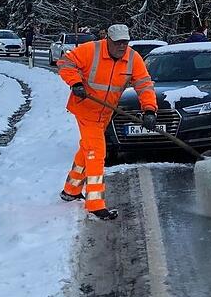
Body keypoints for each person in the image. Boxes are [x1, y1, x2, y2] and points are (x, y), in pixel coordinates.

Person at [56, 24, 157, 220]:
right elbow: (65, 63)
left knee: (87, 149)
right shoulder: (91, 50)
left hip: (105, 112)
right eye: (117, 42)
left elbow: (144, 84)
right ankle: (95, 204)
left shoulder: (132, 58)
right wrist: (75, 83)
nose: (122, 46)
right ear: (107, 40)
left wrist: (149, 110)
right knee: (96, 152)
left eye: (125, 42)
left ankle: (71, 190)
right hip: (85, 109)